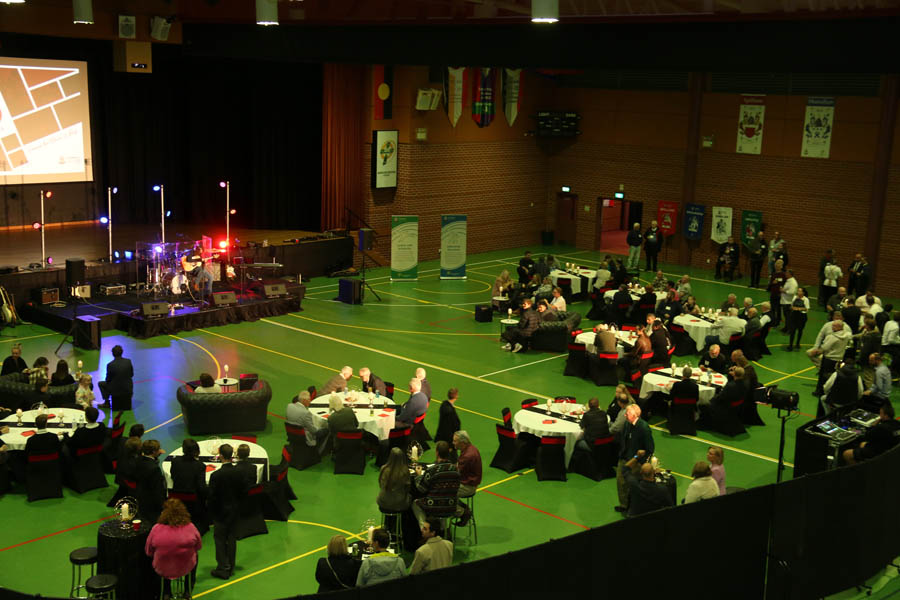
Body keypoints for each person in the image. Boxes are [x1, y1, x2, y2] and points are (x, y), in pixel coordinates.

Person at [145, 498, 202, 598]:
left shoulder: (156, 529)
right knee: (195, 556)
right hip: (185, 567)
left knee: (161, 559)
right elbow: (198, 546)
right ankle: (187, 590)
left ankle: (166, 592)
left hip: (163, 568)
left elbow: (148, 551)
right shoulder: (191, 527)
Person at [207, 443, 248, 580]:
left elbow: (212, 497)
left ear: (220, 456)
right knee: (231, 539)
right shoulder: (239, 472)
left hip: (220, 513)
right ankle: (230, 565)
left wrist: (211, 512)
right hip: (234, 512)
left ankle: (223, 568)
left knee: (220, 540)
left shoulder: (216, 475)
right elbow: (244, 491)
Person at [615, 404, 654, 513]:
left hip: (636, 462)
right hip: (624, 458)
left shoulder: (644, 428)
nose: (625, 415)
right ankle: (624, 505)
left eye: (627, 414)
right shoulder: (627, 424)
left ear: (634, 415)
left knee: (632, 485)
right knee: (620, 482)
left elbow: (650, 448)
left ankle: (632, 506)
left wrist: (641, 462)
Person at [412, 441, 460, 524]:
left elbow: (421, 489)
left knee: (415, 503)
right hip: (451, 506)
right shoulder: (455, 470)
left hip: (433, 507)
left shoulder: (432, 470)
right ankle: (442, 528)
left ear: (437, 453)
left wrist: (418, 476)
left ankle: (424, 527)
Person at [809, 321, 852, 398]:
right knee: (833, 376)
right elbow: (852, 337)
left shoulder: (832, 337)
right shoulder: (847, 335)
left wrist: (815, 352)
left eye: (834, 326)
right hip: (839, 359)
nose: (832, 328)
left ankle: (820, 392)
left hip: (829, 359)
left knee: (823, 376)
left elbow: (824, 348)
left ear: (839, 327)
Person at [134, 440, 167, 524]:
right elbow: (157, 489)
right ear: (153, 452)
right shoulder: (154, 469)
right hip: (151, 502)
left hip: (141, 495)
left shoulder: (139, 459)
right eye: (158, 449)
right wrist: (162, 505)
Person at [377, 447, 411, 513]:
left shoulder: (383, 468)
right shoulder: (405, 471)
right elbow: (407, 488)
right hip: (399, 504)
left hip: (382, 501)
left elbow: (380, 484)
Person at [100, 345, 134, 410]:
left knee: (101, 384)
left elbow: (108, 379)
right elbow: (131, 374)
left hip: (115, 391)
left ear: (113, 354)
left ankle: (107, 402)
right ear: (122, 352)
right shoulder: (128, 361)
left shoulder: (110, 365)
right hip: (128, 389)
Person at [786, 287, 810, 351]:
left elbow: (807, 309)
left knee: (800, 330)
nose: (798, 292)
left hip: (802, 317)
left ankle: (797, 344)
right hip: (794, 316)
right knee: (792, 331)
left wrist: (799, 309)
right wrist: (792, 308)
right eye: (798, 291)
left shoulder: (806, 299)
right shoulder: (794, 297)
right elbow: (791, 306)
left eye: (800, 291)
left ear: (803, 293)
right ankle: (790, 345)